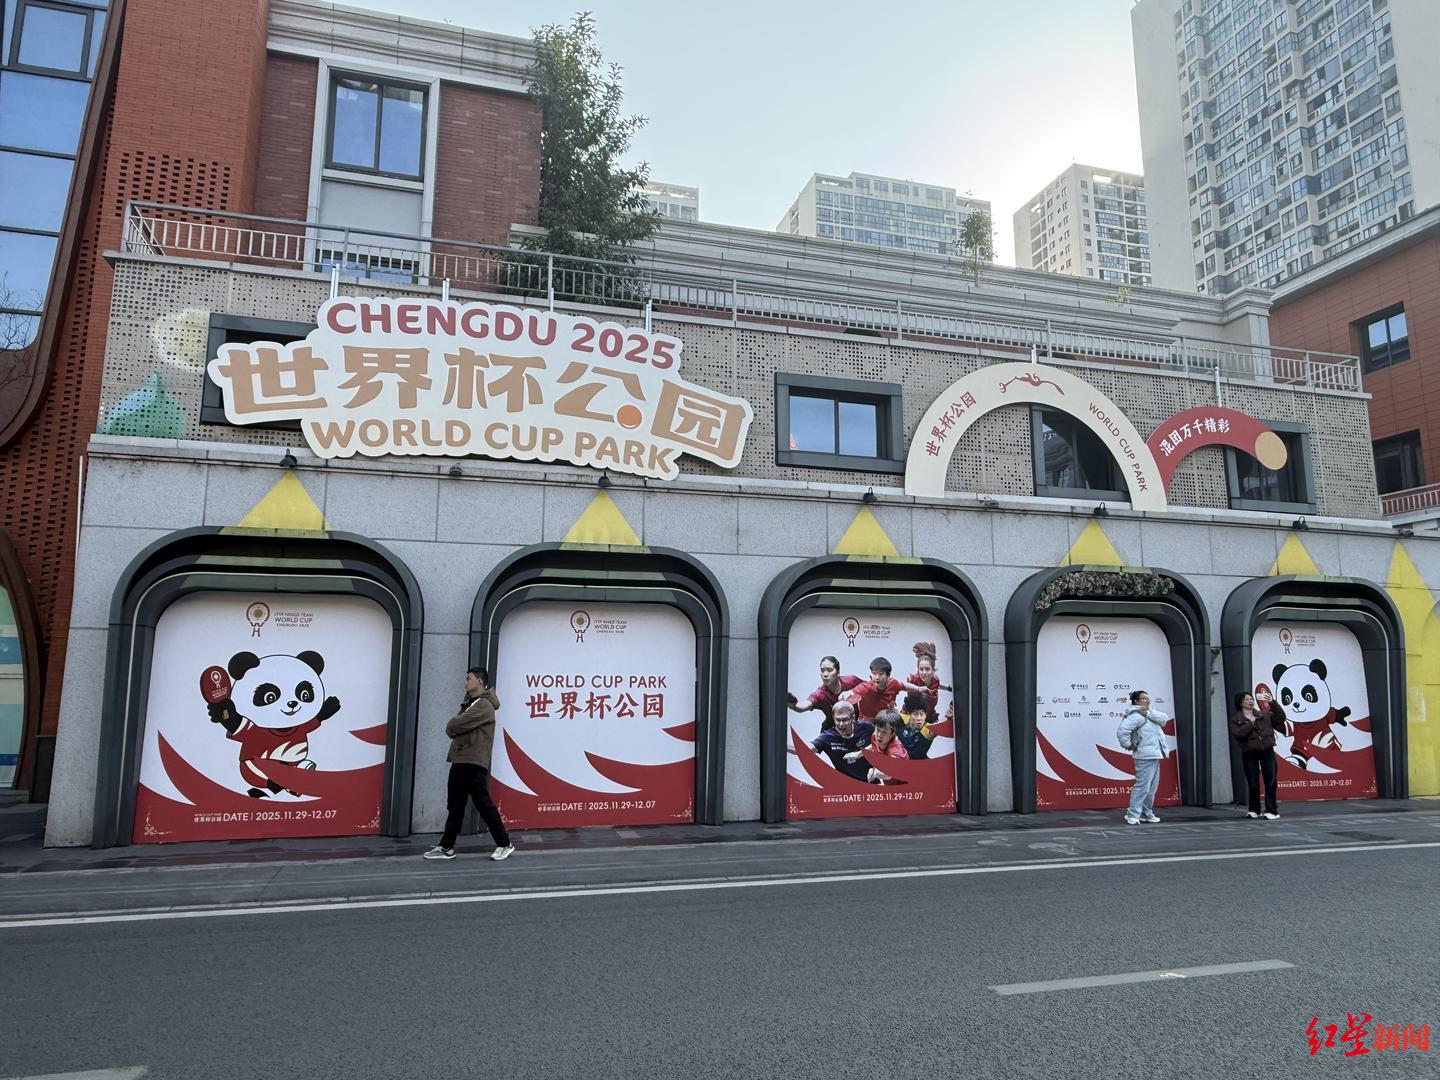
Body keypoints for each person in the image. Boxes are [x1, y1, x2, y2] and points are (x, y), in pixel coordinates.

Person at [424, 666, 514, 861]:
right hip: (461, 759)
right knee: (455, 806)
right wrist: (455, 726)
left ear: (479, 681)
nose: (465, 682)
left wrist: (455, 725)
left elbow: (453, 725)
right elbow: (453, 728)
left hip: (473, 761)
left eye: (468, 678)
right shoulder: (471, 702)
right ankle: (446, 847)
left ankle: (504, 843)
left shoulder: (484, 704)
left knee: (483, 803)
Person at [1116, 689, 1170, 826]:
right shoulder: (1136, 716)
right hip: (1144, 755)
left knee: (1151, 788)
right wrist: (1128, 745)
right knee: (1142, 787)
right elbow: (1122, 731)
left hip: (1155, 754)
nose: (1147, 700)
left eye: (1148, 698)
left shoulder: (1150, 714)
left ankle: (1146, 813)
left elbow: (1164, 719)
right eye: (1144, 698)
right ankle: (1133, 814)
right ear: (1136, 701)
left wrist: (1147, 712)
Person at [1230, 690, 1281, 819]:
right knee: (1253, 782)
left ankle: (1272, 810)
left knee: (1270, 781)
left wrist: (1273, 703)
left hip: (1267, 750)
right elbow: (1238, 734)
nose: (1251, 701)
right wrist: (1251, 724)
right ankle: (1254, 809)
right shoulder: (1236, 719)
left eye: (1251, 699)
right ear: (1241, 703)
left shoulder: (1263, 714)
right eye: (1247, 699)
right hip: (1249, 752)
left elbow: (1280, 718)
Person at [799, 700, 873, 782]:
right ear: (833, 719)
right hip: (847, 784)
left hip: (874, 780)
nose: (841, 724)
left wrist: (859, 754)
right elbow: (806, 748)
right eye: (838, 720)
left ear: (853, 718)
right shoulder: (828, 737)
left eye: (845, 720)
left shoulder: (866, 727)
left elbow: (881, 745)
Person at [786, 655, 864, 731]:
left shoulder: (852, 681)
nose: (825, 674)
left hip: (856, 726)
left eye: (829, 670)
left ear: (838, 672)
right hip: (833, 729)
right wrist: (794, 706)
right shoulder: (820, 694)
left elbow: (868, 688)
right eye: (822, 670)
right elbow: (803, 706)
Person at [850, 708, 909, 784]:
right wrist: (858, 754)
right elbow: (874, 745)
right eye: (878, 729)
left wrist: (875, 773)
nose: (879, 735)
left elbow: (888, 775)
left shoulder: (895, 753)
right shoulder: (876, 736)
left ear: (893, 734)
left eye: (884, 732)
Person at [843, 656, 905, 722]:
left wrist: (917, 689)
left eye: (881, 674)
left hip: (885, 723)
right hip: (866, 724)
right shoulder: (865, 687)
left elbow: (904, 686)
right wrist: (845, 695)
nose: (877, 677)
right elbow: (849, 693)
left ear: (888, 675)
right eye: (874, 673)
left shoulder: (893, 683)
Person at [902, 642, 951, 719]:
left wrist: (949, 688)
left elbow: (938, 685)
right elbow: (901, 685)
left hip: (929, 716)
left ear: (933, 670)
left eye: (927, 669)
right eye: (921, 669)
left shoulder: (935, 680)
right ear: (918, 670)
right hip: (911, 716)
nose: (924, 673)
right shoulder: (912, 679)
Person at [897, 692, 936, 760]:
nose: (919, 718)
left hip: (918, 764)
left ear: (926, 715)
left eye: (922, 714)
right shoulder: (901, 719)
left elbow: (941, 727)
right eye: (915, 714)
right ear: (909, 714)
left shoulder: (928, 729)